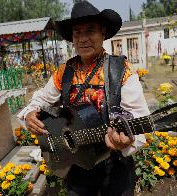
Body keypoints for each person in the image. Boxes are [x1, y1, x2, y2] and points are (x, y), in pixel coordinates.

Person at [18, 1, 150, 195]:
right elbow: (40, 101)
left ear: (103, 33)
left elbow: (139, 119)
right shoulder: (64, 72)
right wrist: (30, 113)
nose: (83, 38)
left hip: (115, 167)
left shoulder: (121, 71)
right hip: (76, 164)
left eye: (90, 31)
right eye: (77, 32)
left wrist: (127, 141)